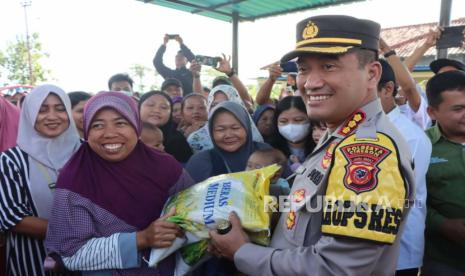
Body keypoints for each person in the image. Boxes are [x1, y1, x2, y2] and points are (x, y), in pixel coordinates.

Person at [209, 15, 415, 276]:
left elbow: (336, 268)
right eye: (304, 69)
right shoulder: (340, 133)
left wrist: (242, 252)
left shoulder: (367, 151)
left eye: (329, 66)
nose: (310, 82)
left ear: (372, 73)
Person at [45, 92, 194, 275]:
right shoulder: (75, 179)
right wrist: (140, 239)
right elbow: (71, 254)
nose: (109, 134)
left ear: (136, 127)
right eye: (98, 125)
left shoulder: (166, 167)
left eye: (120, 123)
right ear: (87, 131)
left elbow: (197, 216)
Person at [0, 84, 81, 275]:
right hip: (33, 261)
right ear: (28, 114)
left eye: (60, 109)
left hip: (90, 260)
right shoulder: (11, 160)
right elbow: (12, 218)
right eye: (41, 110)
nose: (52, 116)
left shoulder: (86, 152)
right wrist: (78, 230)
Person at [377, 59, 432, 276]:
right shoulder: (353, 129)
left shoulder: (409, 137)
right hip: (359, 251)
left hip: (398, 254)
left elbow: (395, 200)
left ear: (387, 89)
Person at [422, 70, 465, 275]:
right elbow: (408, 199)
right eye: (459, 109)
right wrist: (443, 224)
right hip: (443, 260)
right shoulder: (419, 145)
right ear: (432, 112)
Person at [186, 101, 270, 183]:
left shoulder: (266, 153)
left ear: (247, 127)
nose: (228, 135)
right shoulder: (200, 162)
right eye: (220, 129)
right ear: (211, 132)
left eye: (235, 128)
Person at [187, 85, 263, 153]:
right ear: (209, 107)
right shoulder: (196, 140)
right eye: (214, 104)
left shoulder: (257, 144)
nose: (220, 108)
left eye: (227, 103)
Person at [139, 91, 193, 163]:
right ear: (138, 108)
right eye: (150, 105)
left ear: (170, 113)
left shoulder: (178, 141)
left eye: (163, 107)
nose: (156, 110)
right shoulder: (128, 135)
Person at [269, 96, 315, 174]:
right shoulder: (269, 150)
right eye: (283, 121)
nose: (291, 126)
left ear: (311, 120)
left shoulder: (323, 148)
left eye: (298, 120)